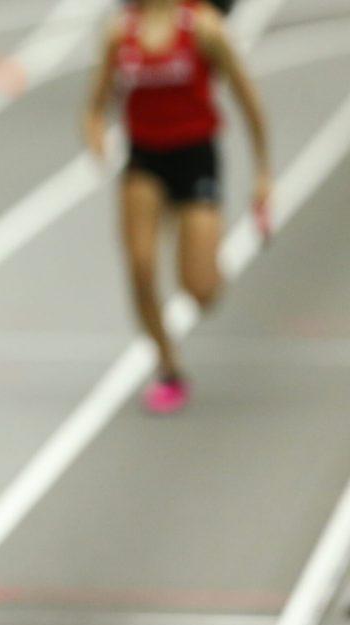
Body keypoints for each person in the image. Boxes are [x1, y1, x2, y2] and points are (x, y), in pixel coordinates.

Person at [84, 0, 270, 413]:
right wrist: (95, 132)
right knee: (141, 267)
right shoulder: (121, 32)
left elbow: (248, 99)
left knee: (200, 289)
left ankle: (195, 250)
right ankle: (168, 364)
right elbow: (97, 103)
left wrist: (263, 174)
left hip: (195, 157)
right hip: (145, 160)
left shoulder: (202, 27)